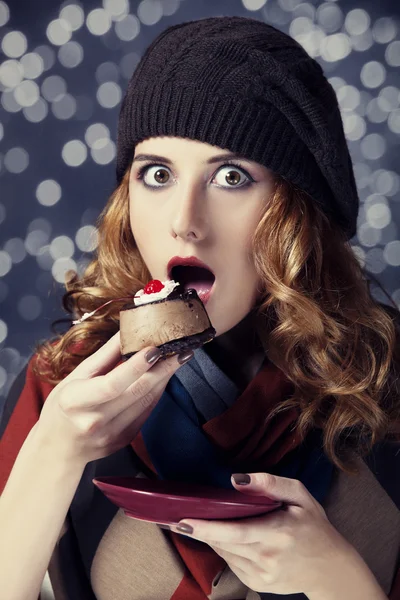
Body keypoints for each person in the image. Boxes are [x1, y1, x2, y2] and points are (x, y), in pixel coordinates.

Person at [1, 14, 399, 600]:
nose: (184, 223)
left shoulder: (384, 380)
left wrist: (338, 580)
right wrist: (56, 451)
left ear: (297, 210)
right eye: (157, 174)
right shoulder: (61, 384)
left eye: (231, 176)